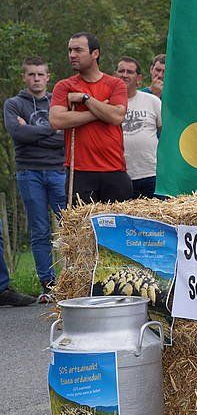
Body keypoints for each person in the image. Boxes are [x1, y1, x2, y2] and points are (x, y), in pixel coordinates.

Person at [3, 57, 65, 300]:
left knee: (70, 227)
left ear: (48, 77)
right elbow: (18, 134)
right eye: (31, 74)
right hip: (29, 173)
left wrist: (33, 133)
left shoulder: (57, 102)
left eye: (40, 74)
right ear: (24, 77)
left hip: (59, 171)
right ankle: (48, 285)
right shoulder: (14, 104)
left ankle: (74, 282)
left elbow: (66, 138)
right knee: (39, 230)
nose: (36, 79)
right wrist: (53, 127)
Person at [48, 33, 131, 203]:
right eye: (70, 50)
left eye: (78, 50)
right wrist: (99, 111)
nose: (72, 55)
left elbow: (116, 116)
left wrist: (85, 99)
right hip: (79, 172)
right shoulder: (64, 86)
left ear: (95, 54)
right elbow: (57, 120)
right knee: (82, 229)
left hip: (114, 169)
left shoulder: (116, 84)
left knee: (118, 229)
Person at [115, 57, 161, 198]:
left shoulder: (152, 101)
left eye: (130, 72)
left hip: (151, 173)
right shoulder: (107, 104)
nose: (125, 75)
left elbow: (164, 133)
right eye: (121, 71)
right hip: (120, 174)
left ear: (138, 78)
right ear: (114, 75)